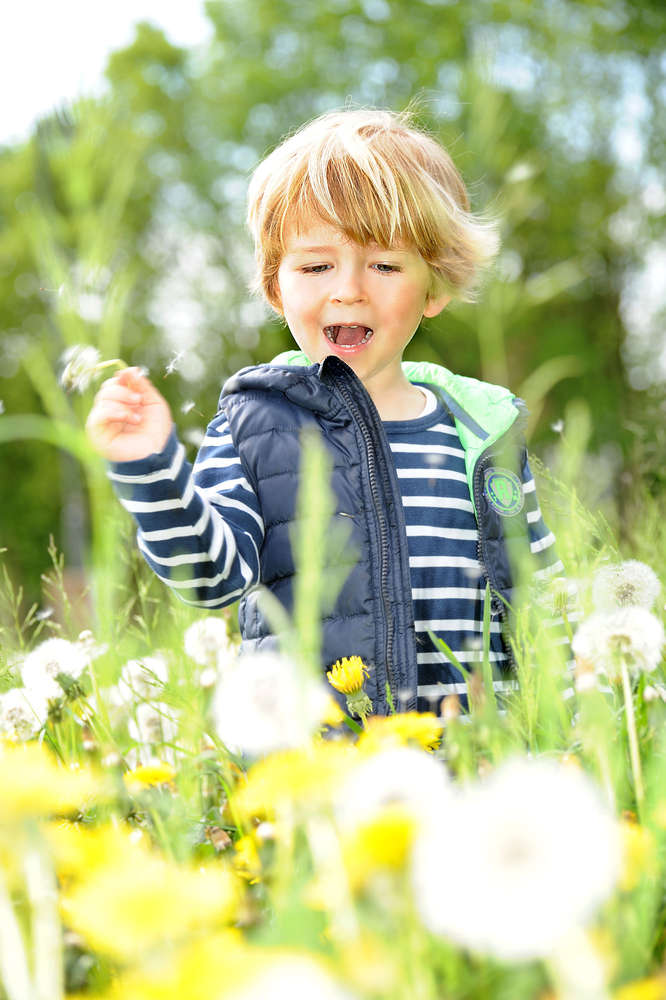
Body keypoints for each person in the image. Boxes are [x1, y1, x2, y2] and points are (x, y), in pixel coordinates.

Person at [86, 108, 563, 719]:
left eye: (385, 264)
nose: (349, 289)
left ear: (436, 285)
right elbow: (211, 578)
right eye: (315, 266)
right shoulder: (254, 426)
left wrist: (575, 741)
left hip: (480, 775)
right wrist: (151, 467)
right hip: (322, 775)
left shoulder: (483, 432)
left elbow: (547, 605)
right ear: (275, 285)